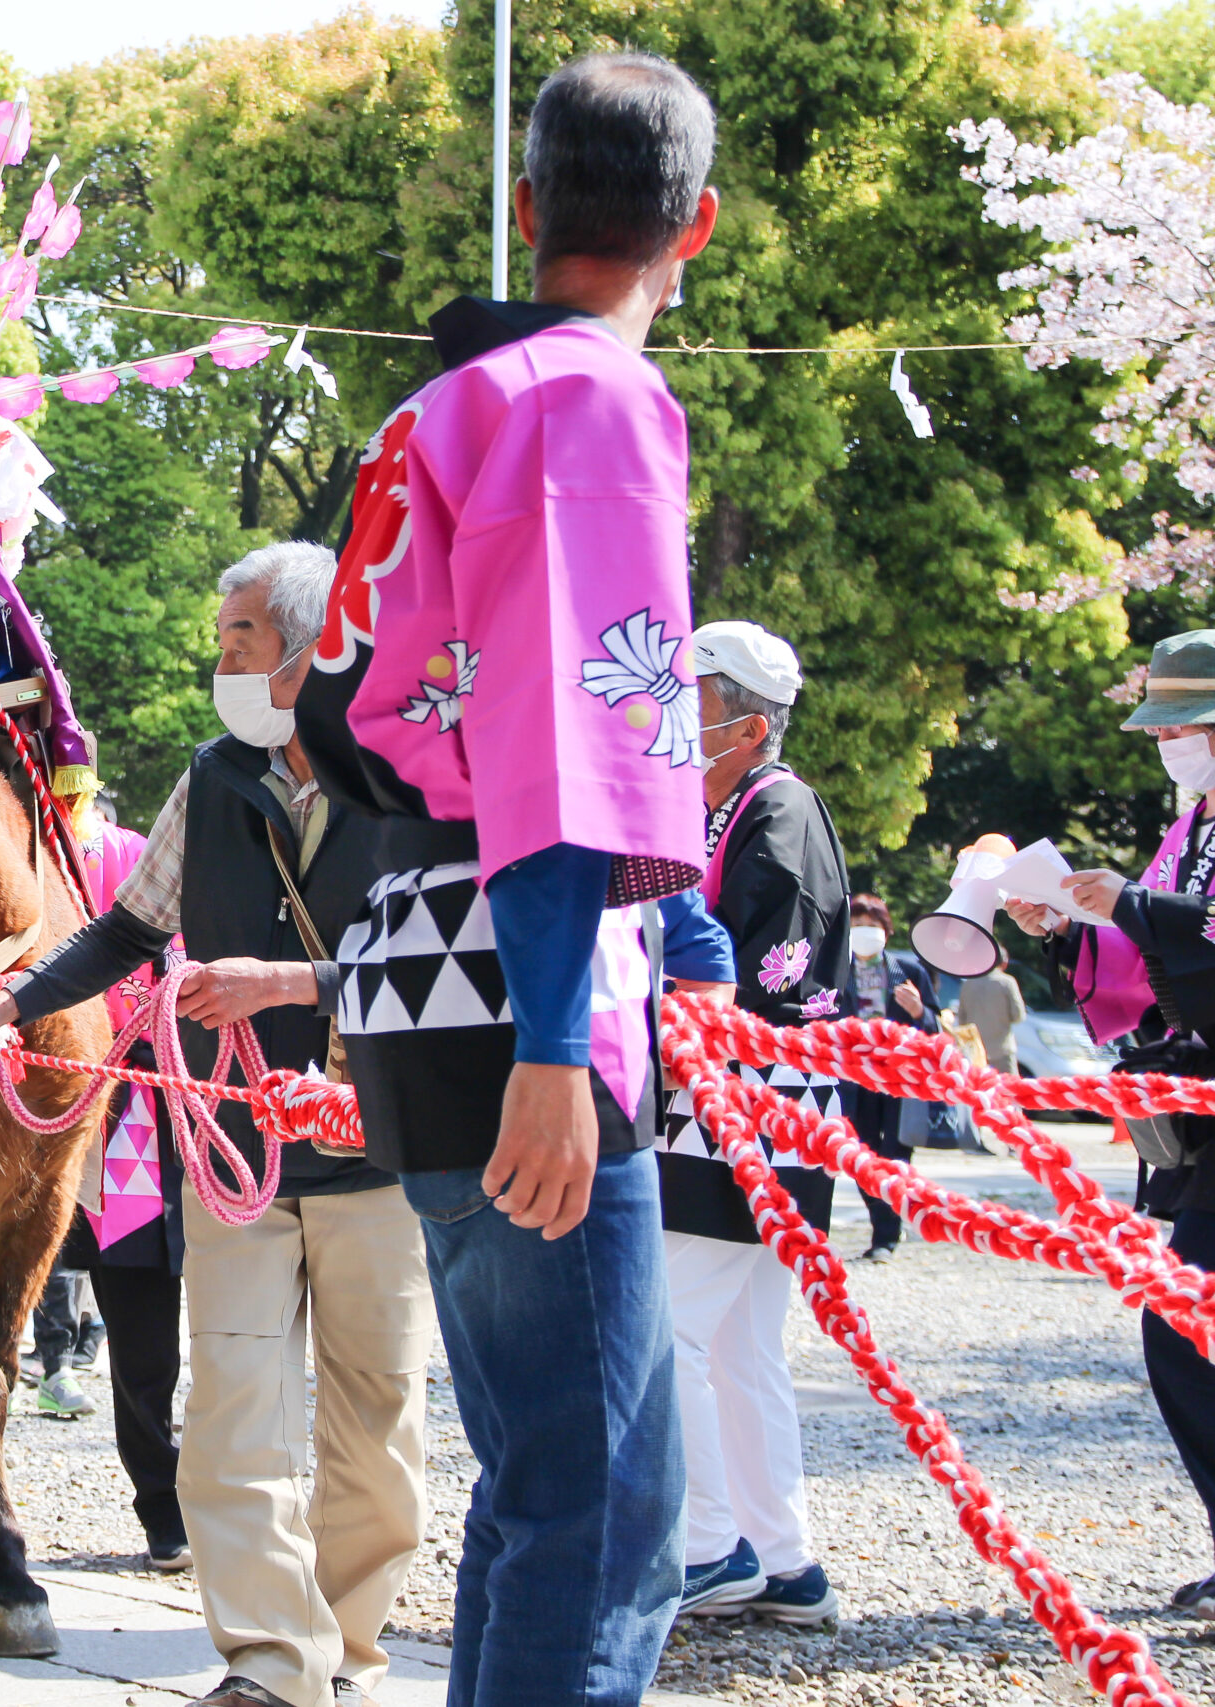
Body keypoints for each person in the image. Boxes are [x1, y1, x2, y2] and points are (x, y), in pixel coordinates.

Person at [284, 51, 722, 1706]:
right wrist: (554, 1040)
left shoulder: (430, 409)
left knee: (542, 1488)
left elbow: (328, 713)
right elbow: (568, 737)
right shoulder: (585, 400)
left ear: (530, 206)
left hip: (416, 946)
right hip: (524, 967)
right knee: (604, 1513)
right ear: (699, 225)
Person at [0, 541, 436, 1707]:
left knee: (375, 1424)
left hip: (378, 1152)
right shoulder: (212, 777)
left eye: (239, 641)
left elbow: (442, 961)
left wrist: (290, 984)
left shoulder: (411, 772)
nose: (221, 664)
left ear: (312, 650)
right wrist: (5, 1005)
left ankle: (348, 1656)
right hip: (233, 1152)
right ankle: (267, 1664)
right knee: (228, 1415)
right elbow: (128, 929)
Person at [1005, 630, 1215, 1617]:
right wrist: (1076, 921)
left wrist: (1133, 905)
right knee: (1181, 1322)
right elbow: (1147, 964)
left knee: (1184, 1321)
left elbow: (1181, 930)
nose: (1169, 745)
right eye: (1162, 731)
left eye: (1184, 727)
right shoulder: (1192, 827)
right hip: (1201, 1105)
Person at [657, 621, 849, 1625]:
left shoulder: (778, 811)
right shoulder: (724, 808)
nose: (670, 715)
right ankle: (780, 1556)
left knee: (668, 1329)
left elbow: (758, 982)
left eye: (691, 699)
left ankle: (708, 1544)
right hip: (736, 1103)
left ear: (748, 725)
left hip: (747, 1102)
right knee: (736, 1344)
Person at [842, 894, 940, 1261]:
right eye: (857, 925)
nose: (865, 932)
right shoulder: (835, 969)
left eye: (872, 926)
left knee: (896, 1157)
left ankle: (886, 1237)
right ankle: (883, 1226)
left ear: (887, 930)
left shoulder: (909, 971)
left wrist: (918, 1011)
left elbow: (935, 1027)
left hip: (899, 1079)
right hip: (854, 1077)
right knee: (861, 1156)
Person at [956, 966, 1025, 1076]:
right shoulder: (1007, 982)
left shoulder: (968, 984)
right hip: (1002, 1049)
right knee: (1008, 1085)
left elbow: (961, 1019)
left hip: (976, 1052)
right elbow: (1018, 1016)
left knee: (978, 1085)